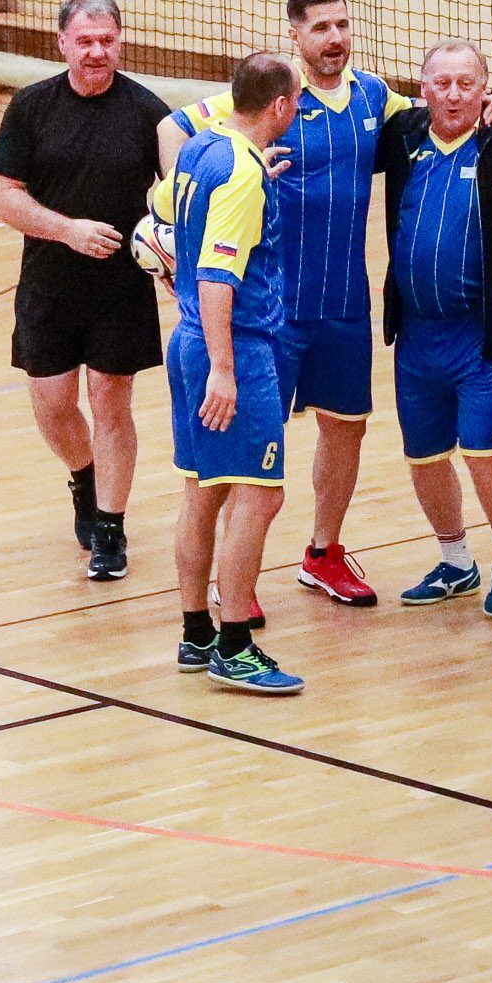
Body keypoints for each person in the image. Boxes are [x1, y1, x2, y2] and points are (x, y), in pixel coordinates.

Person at [159, 0, 411, 613]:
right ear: (295, 37)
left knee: (346, 429)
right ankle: (233, 586)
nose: (335, 38)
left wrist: (487, 109)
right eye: (321, 28)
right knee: (247, 460)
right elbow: (173, 127)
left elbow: (434, 115)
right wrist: (174, 225)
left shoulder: (374, 95)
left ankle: (323, 554)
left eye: (342, 25)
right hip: (272, 313)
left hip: (345, 304)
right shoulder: (274, 100)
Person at [0, 0, 171, 580]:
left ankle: (110, 529)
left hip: (120, 288)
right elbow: (3, 195)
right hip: (48, 283)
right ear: (62, 42)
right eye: (85, 41)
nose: (96, 52)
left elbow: (182, 188)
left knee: (112, 404)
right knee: (53, 404)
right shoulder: (31, 107)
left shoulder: (147, 112)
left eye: (107, 41)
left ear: (121, 42)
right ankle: (84, 477)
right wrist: (67, 230)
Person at [378, 39, 492, 616]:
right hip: (416, 338)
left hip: (479, 339)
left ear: (486, 90)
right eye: (442, 84)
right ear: (423, 89)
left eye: (466, 84)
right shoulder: (403, 136)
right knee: (425, 457)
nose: (453, 95)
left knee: (485, 454)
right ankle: (456, 561)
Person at [159, 53, 305, 693]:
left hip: (187, 339)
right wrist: (225, 369)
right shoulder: (242, 174)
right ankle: (235, 643)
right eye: (294, 102)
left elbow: (164, 208)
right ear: (279, 106)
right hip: (234, 349)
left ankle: (196, 632)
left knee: (204, 490)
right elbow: (218, 276)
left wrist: (251, 182)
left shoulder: (203, 148)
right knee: (260, 493)